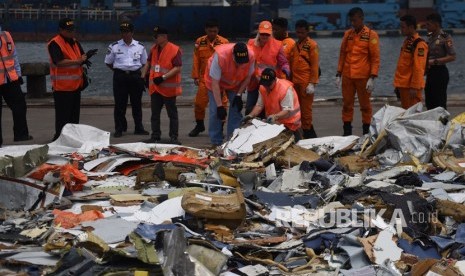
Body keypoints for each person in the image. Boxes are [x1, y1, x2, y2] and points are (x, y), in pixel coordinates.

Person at [336, 7, 380, 136]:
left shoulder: (371, 35)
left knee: (365, 106)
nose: (353, 23)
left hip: (363, 77)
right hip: (348, 76)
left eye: (355, 20)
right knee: (347, 105)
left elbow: (375, 58)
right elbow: (342, 54)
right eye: (351, 21)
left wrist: (372, 77)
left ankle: (366, 133)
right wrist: (338, 73)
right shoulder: (348, 34)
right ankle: (347, 132)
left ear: (361, 18)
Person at [204, 42, 255, 146]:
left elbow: (248, 77)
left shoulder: (251, 56)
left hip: (235, 83)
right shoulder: (220, 56)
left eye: (242, 62)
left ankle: (232, 140)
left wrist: (239, 95)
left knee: (236, 109)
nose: (240, 64)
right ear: (233, 55)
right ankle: (216, 142)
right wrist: (219, 106)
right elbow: (215, 83)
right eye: (238, 61)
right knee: (215, 112)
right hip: (215, 82)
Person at [104, 21, 149, 138]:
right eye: (123, 32)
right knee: (120, 104)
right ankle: (119, 128)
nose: (125, 34)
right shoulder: (114, 46)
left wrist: (142, 76)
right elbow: (108, 62)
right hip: (120, 77)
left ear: (132, 32)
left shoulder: (140, 46)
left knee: (137, 104)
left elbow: (145, 63)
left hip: (135, 77)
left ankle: (139, 127)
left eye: (127, 32)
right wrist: (119, 71)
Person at [48, 18, 88, 141]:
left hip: (76, 86)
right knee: (63, 118)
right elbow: (59, 61)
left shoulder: (75, 42)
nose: (72, 32)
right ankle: (59, 139)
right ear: (61, 30)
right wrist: (78, 61)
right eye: (68, 30)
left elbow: (82, 56)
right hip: (62, 87)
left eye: (72, 30)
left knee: (74, 118)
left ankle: (73, 139)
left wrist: (86, 57)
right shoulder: (55, 43)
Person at [141, 26, 182, 145]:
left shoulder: (174, 49)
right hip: (155, 88)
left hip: (168, 89)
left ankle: (174, 137)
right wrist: (143, 76)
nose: (154, 38)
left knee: (172, 114)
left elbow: (178, 67)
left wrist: (163, 77)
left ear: (164, 37)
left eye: (156, 36)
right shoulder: (154, 49)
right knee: (155, 114)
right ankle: (155, 136)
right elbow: (148, 62)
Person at [189, 19, 229, 137]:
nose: (212, 33)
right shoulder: (199, 41)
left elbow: (228, 60)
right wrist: (195, 76)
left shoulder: (224, 42)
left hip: (220, 80)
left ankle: (220, 128)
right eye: (210, 31)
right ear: (206, 30)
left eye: (215, 31)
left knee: (222, 104)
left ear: (218, 30)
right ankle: (199, 125)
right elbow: (196, 59)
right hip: (204, 79)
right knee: (199, 103)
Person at [243, 68, 301, 141]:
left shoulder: (285, 89)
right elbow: (259, 105)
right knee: (249, 111)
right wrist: (250, 115)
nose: (266, 87)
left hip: (290, 122)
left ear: (274, 80)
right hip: (273, 121)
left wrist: (275, 116)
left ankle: (295, 136)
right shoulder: (263, 87)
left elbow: (287, 111)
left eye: (268, 85)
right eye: (265, 84)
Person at [246, 20, 290, 115]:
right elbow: (246, 63)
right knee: (249, 108)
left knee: (269, 110)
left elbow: (284, 62)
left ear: (271, 33)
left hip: (269, 83)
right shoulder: (250, 43)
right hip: (253, 82)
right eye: (262, 34)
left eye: (267, 34)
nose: (264, 36)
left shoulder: (278, 45)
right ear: (258, 33)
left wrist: (286, 70)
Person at [0, 28, 32, 146]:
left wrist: (18, 75)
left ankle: (21, 135)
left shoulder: (6, 35)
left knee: (20, 106)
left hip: (10, 78)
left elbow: (14, 56)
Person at [289, 19, 319, 139]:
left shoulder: (312, 45)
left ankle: (309, 135)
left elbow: (315, 66)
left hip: (306, 84)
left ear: (307, 32)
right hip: (295, 83)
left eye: (302, 32)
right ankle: (303, 134)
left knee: (306, 112)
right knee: (296, 111)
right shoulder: (295, 46)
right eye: (297, 32)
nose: (299, 35)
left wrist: (312, 83)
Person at [393, 15, 428, 109]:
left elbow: (419, 67)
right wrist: (398, 85)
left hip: (411, 88)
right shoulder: (407, 42)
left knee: (413, 116)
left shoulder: (419, 44)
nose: (401, 29)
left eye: (403, 27)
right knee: (406, 115)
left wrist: (415, 87)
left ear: (411, 27)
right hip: (404, 86)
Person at [424, 12, 456, 110]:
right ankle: (432, 124)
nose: (426, 27)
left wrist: (434, 61)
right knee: (429, 101)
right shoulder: (430, 37)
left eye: (428, 24)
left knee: (440, 103)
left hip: (440, 72)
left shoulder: (446, 38)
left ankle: (443, 124)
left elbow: (452, 56)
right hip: (430, 73)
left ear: (436, 25)